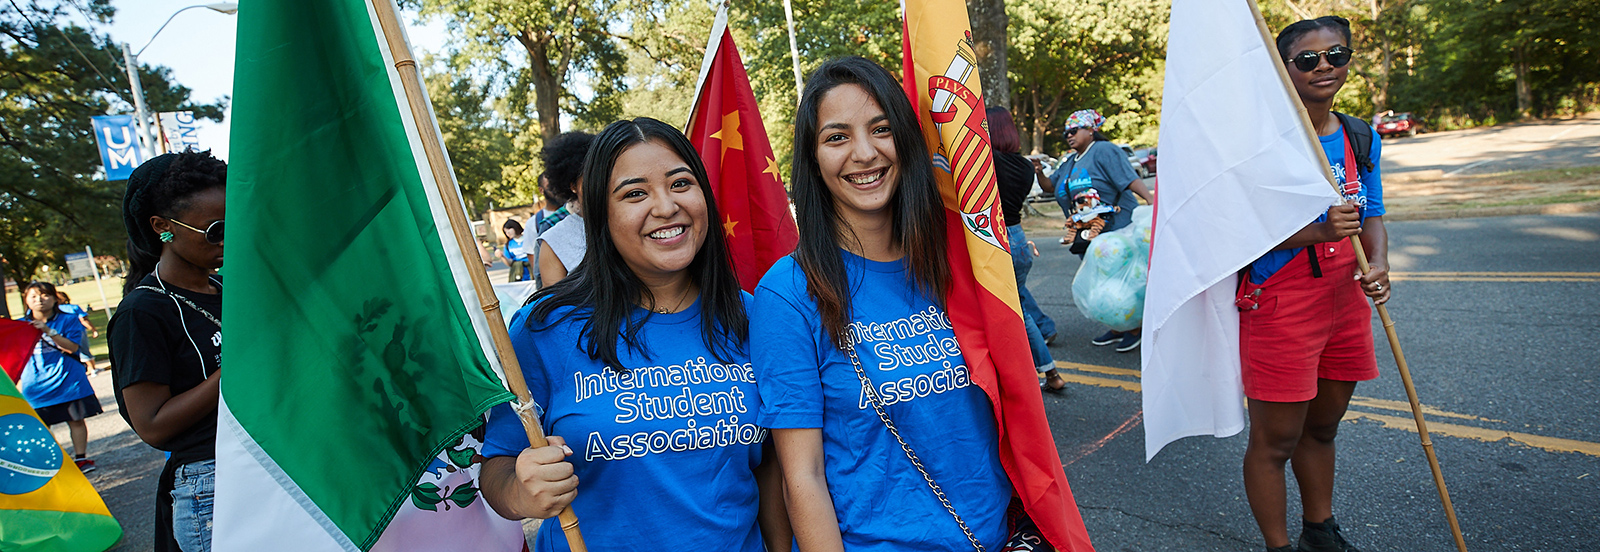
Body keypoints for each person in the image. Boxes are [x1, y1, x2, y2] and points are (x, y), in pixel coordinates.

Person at [478, 117, 789, 552]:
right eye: (635, 193)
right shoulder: (545, 328)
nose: (665, 207)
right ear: (601, 215)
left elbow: (774, 466)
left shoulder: (755, 317)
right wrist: (521, 491)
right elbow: (497, 466)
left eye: (681, 183)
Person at [753, 56, 1013, 550]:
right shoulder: (788, 294)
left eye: (881, 128)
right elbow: (801, 476)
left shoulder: (959, 261)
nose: (865, 153)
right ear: (812, 159)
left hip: (995, 535)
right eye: (837, 137)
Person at [1240, 15, 1389, 552]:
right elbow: (1236, 230)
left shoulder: (1359, 133)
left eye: (1336, 54)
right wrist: (1318, 230)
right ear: (1284, 70)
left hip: (1346, 296)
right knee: (1275, 439)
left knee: (1323, 428)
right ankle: (1278, 546)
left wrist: (1379, 262)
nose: (1324, 66)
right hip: (1280, 299)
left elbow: (1372, 209)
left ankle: (1320, 532)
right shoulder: (1262, 143)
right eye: (1307, 59)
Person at [107, 151, 226, 552]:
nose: (228, 239)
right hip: (211, 487)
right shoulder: (143, 311)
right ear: (163, 228)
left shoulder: (229, 290)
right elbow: (153, 425)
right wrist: (233, 371)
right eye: (215, 230)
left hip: (267, 464)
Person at [1048, 108, 1154, 353]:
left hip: (1115, 230)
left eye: (1074, 130)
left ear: (1091, 129)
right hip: (1088, 235)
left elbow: (1128, 179)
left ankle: (1135, 327)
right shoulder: (1068, 161)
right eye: (1066, 133)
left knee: (1123, 281)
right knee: (1104, 283)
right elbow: (1049, 185)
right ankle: (1117, 326)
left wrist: (1149, 201)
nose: (1069, 136)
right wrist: (1036, 171)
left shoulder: (1104, 150)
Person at [987, 107, 1067, 394]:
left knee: (1016, 310)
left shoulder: (989, 161)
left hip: (997, 239)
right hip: (1018, 237)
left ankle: (1050, 372)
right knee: (1018, 301)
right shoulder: (1023, 166)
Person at [18, 281, 102, 472]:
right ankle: (53, 462)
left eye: (45, 295)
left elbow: (72, 347)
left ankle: (81, 458)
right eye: (33, 296)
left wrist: (47, 331)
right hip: (35, 384)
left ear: (55, 298)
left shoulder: (69, 319)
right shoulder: (21, 326)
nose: (39, 300)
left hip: (68, 380)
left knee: (76, 420)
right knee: (41, 427)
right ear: (26, 301)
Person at [536, 131, 597, 285]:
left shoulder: (634, 221)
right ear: (572, 185)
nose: (599, 183)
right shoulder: (554, 241)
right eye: (590, 177)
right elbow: (553, 305)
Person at [55, 290, 101, 373]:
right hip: (78, 332)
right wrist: (93, 330)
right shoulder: (73, 308)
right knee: (84, 350)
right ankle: (93, 369)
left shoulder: (55, 311)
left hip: (60, 334)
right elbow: (83, 320)